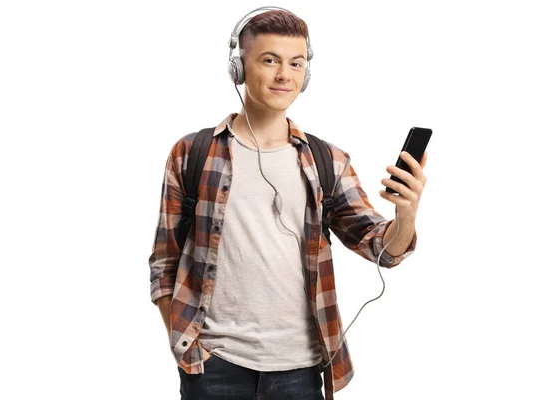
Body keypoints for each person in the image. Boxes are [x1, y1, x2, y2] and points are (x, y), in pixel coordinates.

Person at [149, 7, 428, 400]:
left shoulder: (328, 161)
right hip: (213, 367)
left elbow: (381, 249)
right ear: (239, 68)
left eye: (296, 63)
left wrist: (407, 214)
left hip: (301, 370)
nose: (285, 75)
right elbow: (164, 261)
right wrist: (185, 346)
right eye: (269, 60)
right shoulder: (192, 153)